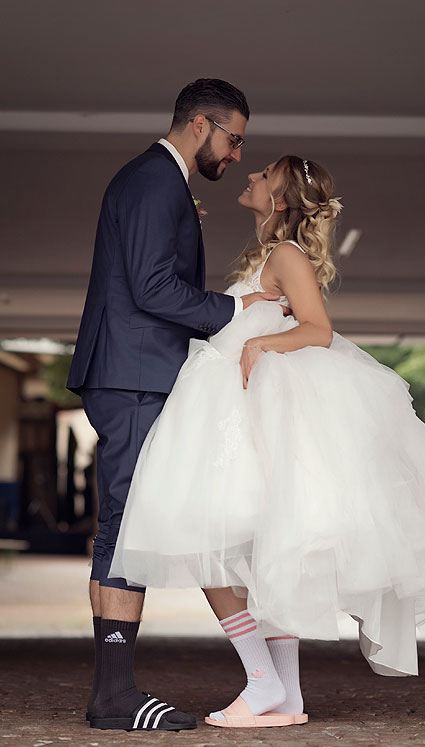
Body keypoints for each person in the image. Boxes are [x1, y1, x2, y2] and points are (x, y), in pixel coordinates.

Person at [108, 155, 425, 728]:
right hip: (240, 411)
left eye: (261, 176)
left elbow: (318, 329)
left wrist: (262, 347)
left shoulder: (286, 255)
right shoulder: (268, 255)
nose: (248, 177)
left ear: (278, 199)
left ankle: (262, 680)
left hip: (261, 409)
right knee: (253, 553)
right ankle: (287, 695)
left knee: (211, 544)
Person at [65, 78, 280, 731]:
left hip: (128, 370)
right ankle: (114, 696)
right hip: (133, 373)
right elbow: (155, 287)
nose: (238, 155)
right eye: (233, 138)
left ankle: (115, 689)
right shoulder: (157, 181)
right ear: (200, 125)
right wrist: (233, 307)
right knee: (126, 529)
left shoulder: (157, 184)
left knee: (121, 527)